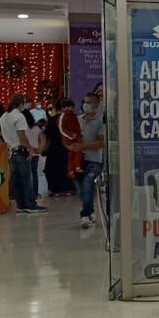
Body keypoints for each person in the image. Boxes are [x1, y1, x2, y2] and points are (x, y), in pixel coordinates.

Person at [0, 93, 47, 214]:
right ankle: (30, 204)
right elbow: (22, 135)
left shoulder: (4, 116)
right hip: (20, 150)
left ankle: (20, 204)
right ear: (21, 104)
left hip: (10, 151)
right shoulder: (19, 116)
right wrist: (30, 148)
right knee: (27, 179)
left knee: (16, 180)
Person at [74, 92, 104, 228]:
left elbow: (101, 142)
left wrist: (84, 146)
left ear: (96, 105)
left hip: (94, 160)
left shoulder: (100, 121)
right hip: (78, 161)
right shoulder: (77, 120)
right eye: (84, 102)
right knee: (82, 189)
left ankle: (84, 215)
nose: (85, 105)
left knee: (87, 184)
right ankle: (90, 211)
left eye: (89, 103)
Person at [43, 109, 75, 196]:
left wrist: (44, 148)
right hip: (67, 147)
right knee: (65, 167)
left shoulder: (52, 120)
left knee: (53, 168)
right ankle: (68, 188)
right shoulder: (72, 119)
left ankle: (54, 189)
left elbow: (47, 135)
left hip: (54, 148)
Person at [58, 98, 83, 178]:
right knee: (71, 155)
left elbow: (77, 127)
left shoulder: (74, 116)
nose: (70, 109)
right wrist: (71, 135)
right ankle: (71, 171)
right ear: (62, 108)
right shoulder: (62, 117)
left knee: (77, 152)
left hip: (75, 138)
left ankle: (77, 167)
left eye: (71, 107)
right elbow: (62, 129)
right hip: (67, 139)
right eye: (68, 107)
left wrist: (79, 136)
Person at [27, 114, 48, 202]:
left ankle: (28, 193)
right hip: (35, 154)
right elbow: (43, 140)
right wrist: (40, 150)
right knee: (34, 173)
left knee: (27, 174)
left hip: (26, 153)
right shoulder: (37, 129)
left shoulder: (23, 129)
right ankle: (35, 192)